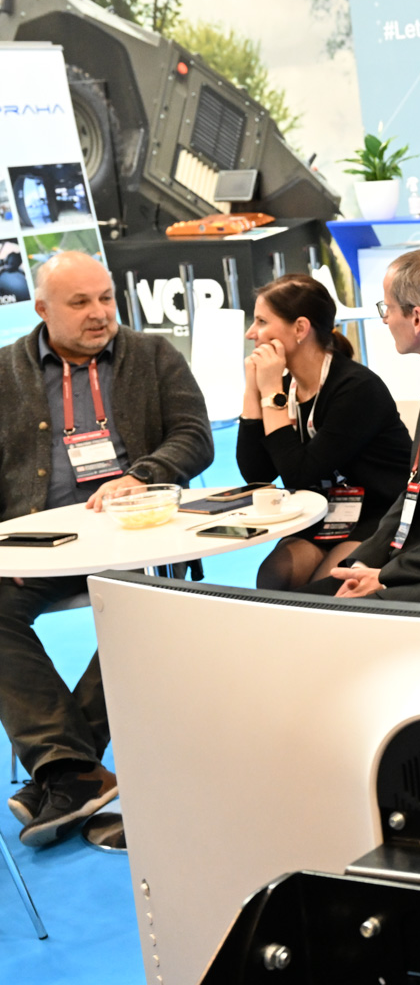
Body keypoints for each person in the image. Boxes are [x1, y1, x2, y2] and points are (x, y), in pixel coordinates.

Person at [0, 251, 212, 847]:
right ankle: (72, 769)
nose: (99, 313)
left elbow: (194, 436)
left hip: (137, 540)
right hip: (38, 548)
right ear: (42, 310)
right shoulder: (4, 372)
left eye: (105, 298)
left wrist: (145, 474)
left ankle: (64, 770)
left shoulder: (153, 355)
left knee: (146, 610)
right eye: (80, 302)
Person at [311, 248, 420, 604]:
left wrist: (387, 575)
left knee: (316, 615)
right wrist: (362, 564)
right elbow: (414, 488)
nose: (385, 319)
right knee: (294, 601)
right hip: (412, 561)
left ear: (417, 318)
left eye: (386, 308)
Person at [238, 273, 412, 589]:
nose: (251, 333)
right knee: (275, 577)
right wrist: (254, 390)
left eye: (262, 321)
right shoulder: (285, 387)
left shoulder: (356, 389)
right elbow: (257, 476)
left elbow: (299, 474)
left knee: (328, 588)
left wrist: (271, 396)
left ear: (300, 328)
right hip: (325, 513)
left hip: (381, 512)